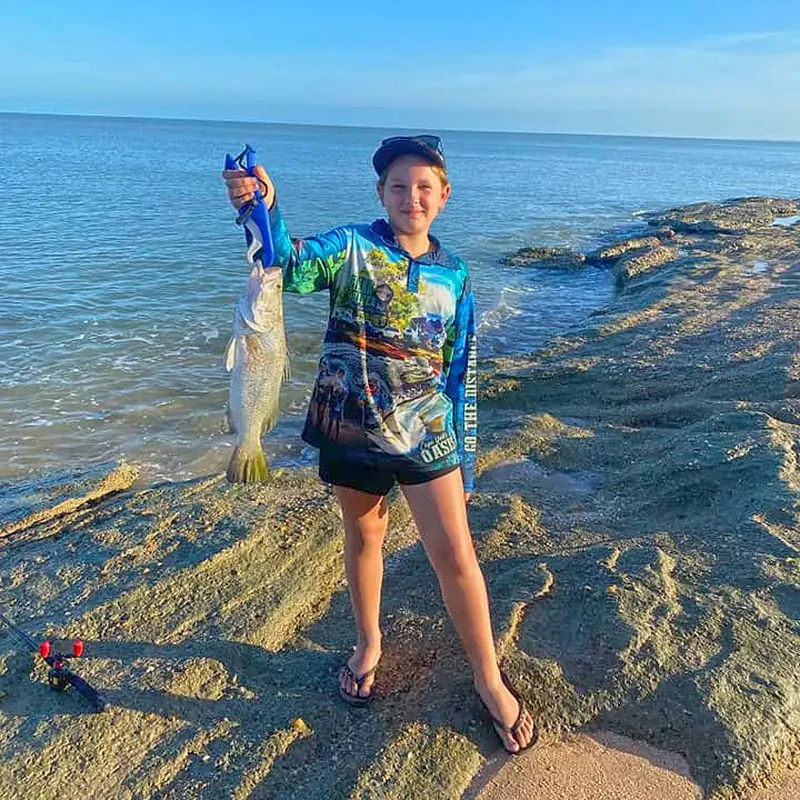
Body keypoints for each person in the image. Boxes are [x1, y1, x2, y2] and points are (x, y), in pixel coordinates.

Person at [223, 134, 536, 754]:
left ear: (443, 196)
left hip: (427, 434)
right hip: (350, 425)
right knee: (365, 536)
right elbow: (285, 261)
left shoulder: (456, 276)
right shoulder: (351, 248)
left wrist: (465, 460)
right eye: (398, 186)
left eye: (424, 187)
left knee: (457, 557)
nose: (410, 197)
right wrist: (258, 206)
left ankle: (487, 675)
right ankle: (368, 643)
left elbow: (459, 371)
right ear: (380, 194)